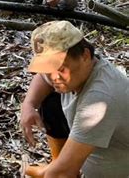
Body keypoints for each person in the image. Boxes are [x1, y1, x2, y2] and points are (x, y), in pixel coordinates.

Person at [21, 20, 128, 178]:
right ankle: (61, 161)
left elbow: (60, 174)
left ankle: (65, 165)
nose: (54, 78)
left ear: (85, 55)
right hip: (89, 159)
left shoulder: (100, 99)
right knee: (49, 99)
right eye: (47, 69)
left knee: (59, 171)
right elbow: (43, 79)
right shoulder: (84, 69)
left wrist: (57, 172)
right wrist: (28, 105)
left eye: (61, 69)